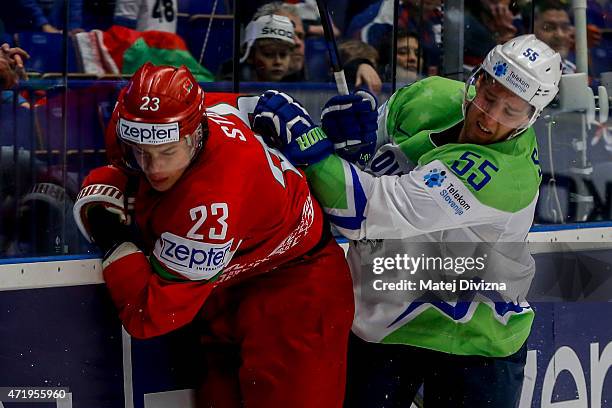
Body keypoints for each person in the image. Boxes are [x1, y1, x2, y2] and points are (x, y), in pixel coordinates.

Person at [252, 34, 562, 407]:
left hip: (476, 338)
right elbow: (365, 163)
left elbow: (361, 211)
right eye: (488, 95)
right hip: (383, 321)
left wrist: (310, 144)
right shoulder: (427, 96)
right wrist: (348, 141)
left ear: (533, 116)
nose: (489, 116)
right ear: (476, 79)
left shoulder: (502, 175)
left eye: (511, 111)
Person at [72, 62, 354, 407]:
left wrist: (112, 235)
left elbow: (149, 315)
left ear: (196, 135)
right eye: (141, 153)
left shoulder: (212, 205)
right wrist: (122, 173)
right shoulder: (177, 116)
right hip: (228, 284)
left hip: (297, 291)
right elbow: (253, 106)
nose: (154, 168)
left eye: (167, 152)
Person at [217, 14, 296, 82]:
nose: (278, 62)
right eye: (268, 54)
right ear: (250, 55)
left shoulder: (298, 84)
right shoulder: (229, 85)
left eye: (283, 54)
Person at [529, 1, 576, 74]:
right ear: (531, 32)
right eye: (548, 28)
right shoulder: (522, 73)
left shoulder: (574, 70)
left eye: (565, 27)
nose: (560, 35)